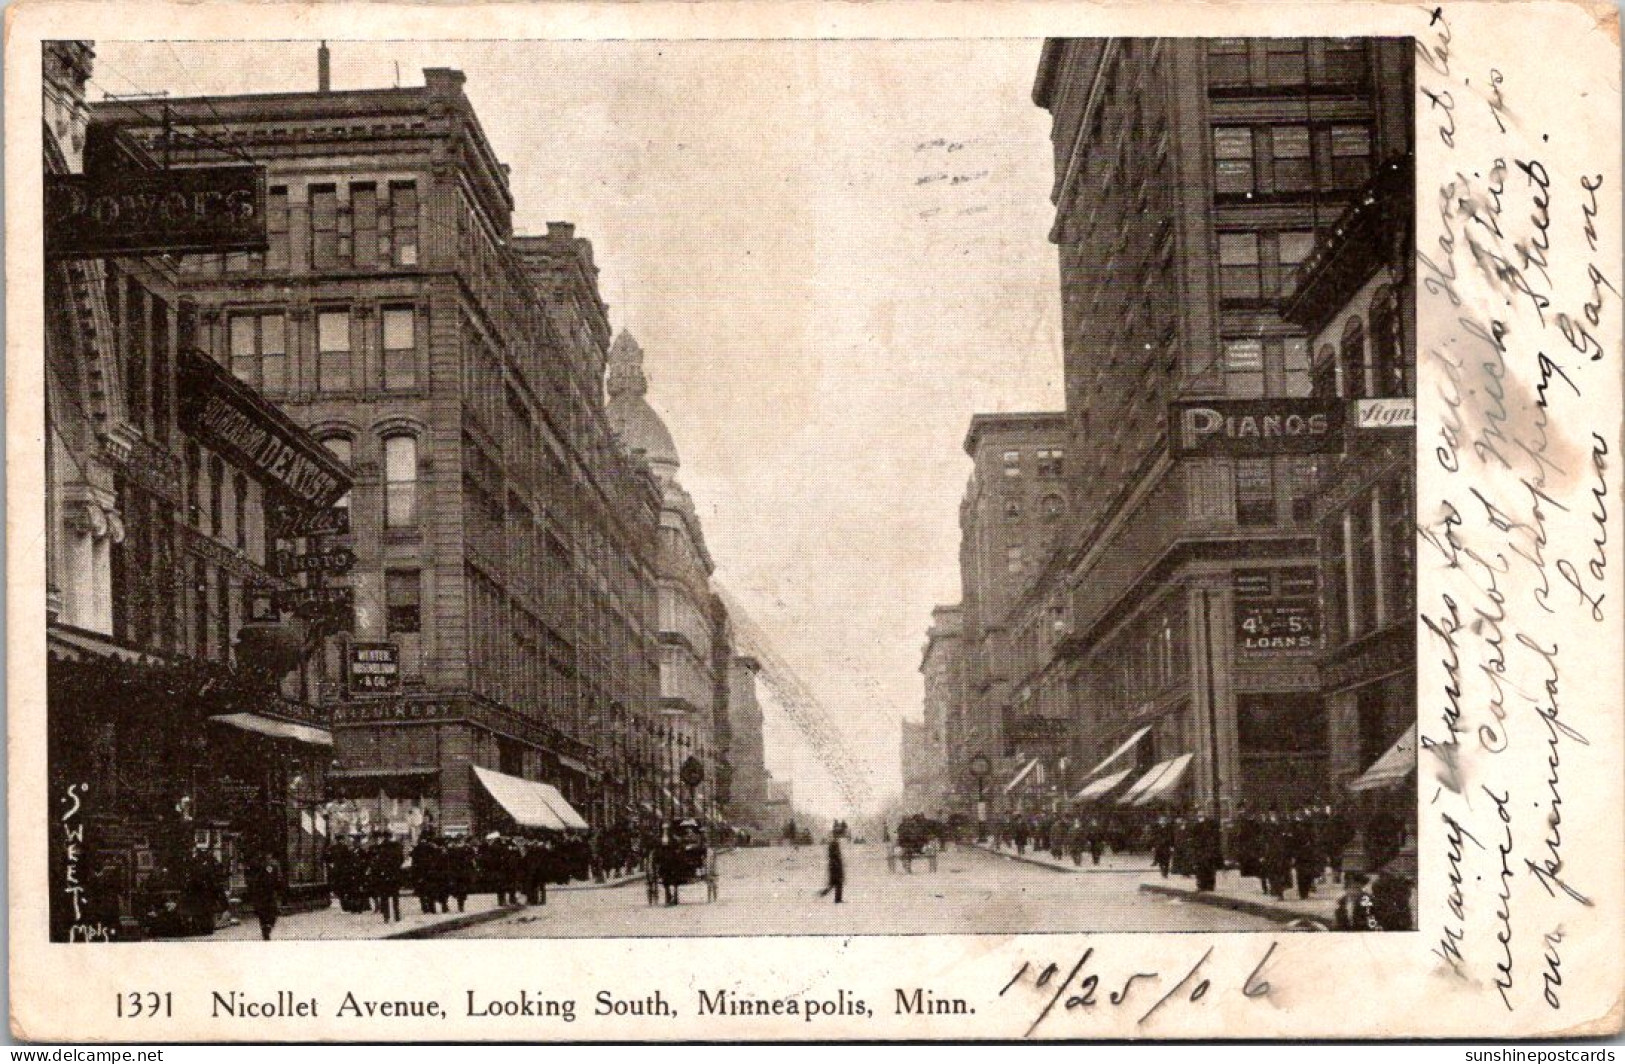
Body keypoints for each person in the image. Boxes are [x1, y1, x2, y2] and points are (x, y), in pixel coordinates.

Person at [244, 851, 285, 941]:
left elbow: (249, 878)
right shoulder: (273, 864)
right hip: (269, 892)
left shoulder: (256, 862)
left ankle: (265, 928)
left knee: (263, 912)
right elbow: (279, 878)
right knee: (271, 911)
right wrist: (280, 890)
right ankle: (267, 928)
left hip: (261, 892)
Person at [819, 833, 846, 903]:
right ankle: (837, 899)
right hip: (835, 865)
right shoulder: (834, 845)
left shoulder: (833, 845)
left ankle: (823, 894)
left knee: (834, 883)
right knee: (837, 883)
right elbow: (835, 854)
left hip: (834, 865)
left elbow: (834, 854)